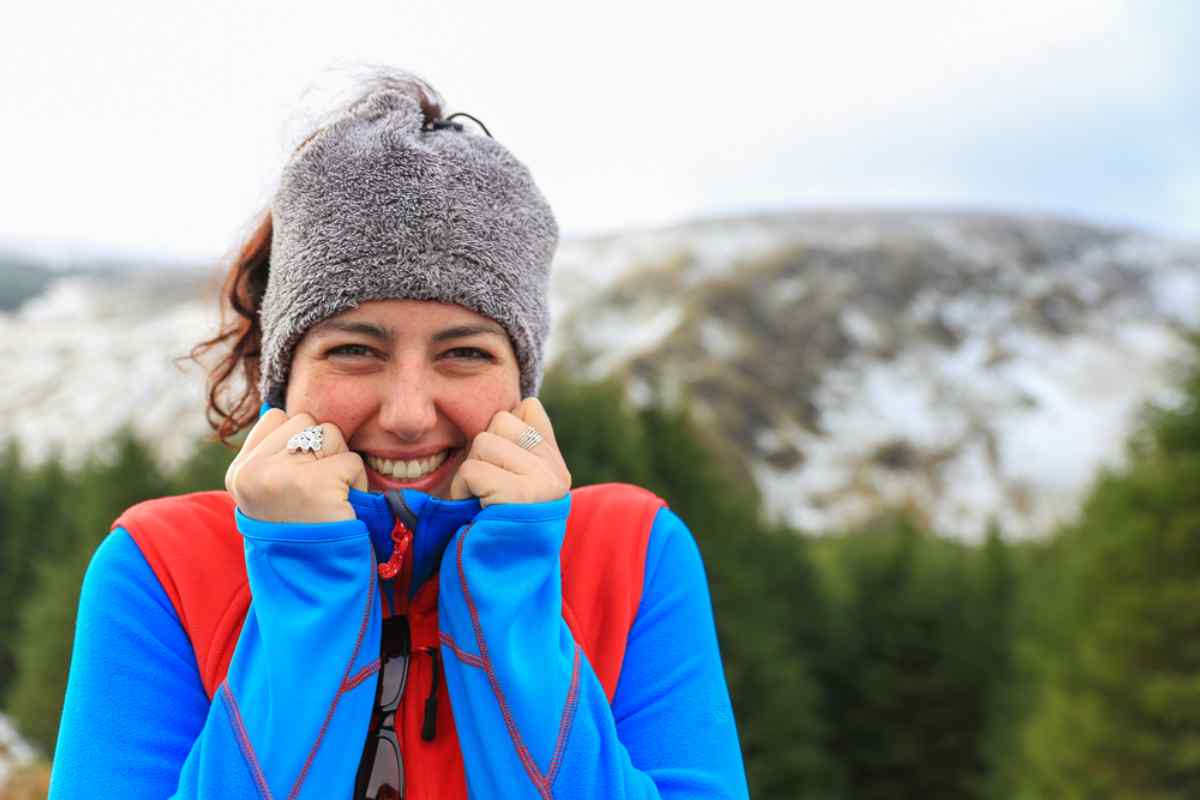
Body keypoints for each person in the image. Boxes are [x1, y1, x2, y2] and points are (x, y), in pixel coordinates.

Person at [48, 70, 749, 799]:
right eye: (355, 349)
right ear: (287, 373)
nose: (410, 412)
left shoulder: (631, 555)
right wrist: (306, 578)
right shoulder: (161, 568)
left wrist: (512, 588)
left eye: (465, 352)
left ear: (523, 381)